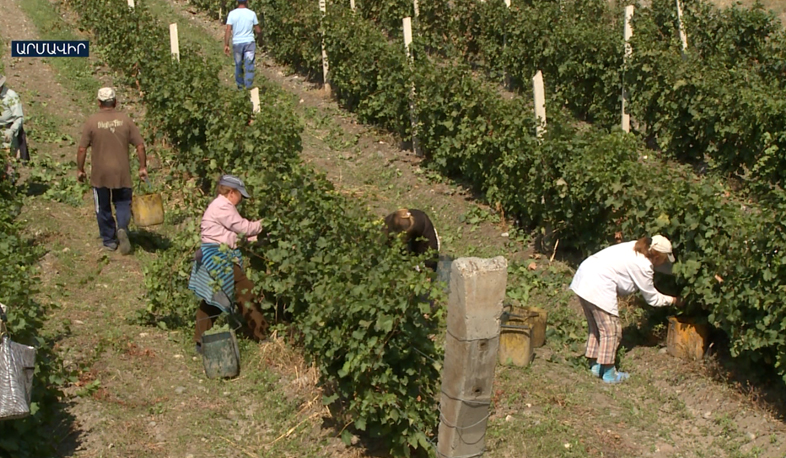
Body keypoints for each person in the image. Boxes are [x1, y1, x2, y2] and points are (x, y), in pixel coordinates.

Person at [570, 235, 683, 384]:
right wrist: (674, 300)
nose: (665, 262)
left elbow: (663, 268)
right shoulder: (643, 266)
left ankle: (596, 365)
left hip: (585, 276)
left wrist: (679, 272)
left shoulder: (637, 247)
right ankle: (609, 373)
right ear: (656, 257)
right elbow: (652, 298)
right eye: (664, 259)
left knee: (597, 327)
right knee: (611, 331)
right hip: (598, 284)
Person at [188, 175, 268, 354]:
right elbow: (244, 228)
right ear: (231, 192)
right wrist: (267, 223)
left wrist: (262, 238)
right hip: (218, 256)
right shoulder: (222, 206)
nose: (241, 200)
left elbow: (236, 236)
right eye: (240, 195)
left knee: (214, 297)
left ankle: (200, 341)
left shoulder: (221, 206)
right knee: (246, 291)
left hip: (216, 255)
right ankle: (261, 334)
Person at [77, 87, 147, 254]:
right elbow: (140, 146)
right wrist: (142, 167)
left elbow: (82, 149)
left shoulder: (92, 122)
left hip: (100, 175)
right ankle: (122, 227)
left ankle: (109, 240)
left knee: (102, 207)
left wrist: (80, 169)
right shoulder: (125, 120)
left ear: (99, 103)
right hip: (122, 172)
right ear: (115, 102)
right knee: (122, 203)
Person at [224, 0, 262, 90]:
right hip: (249, 42)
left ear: (237, 1)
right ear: (247, 1)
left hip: (237, 43)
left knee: (238, 65)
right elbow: (258, 30)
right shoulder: (252, 14)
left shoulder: (232, 14)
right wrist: (261, 40)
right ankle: (248, 87)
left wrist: (226, 44)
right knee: (249, 64)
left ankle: (240, 88)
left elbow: (228, 30)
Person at [1, 74, 27, 179]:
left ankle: (9, 183)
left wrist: (12, 131)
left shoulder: (11, 96)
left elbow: (19, 117)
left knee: (7, 161)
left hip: (7, 132)